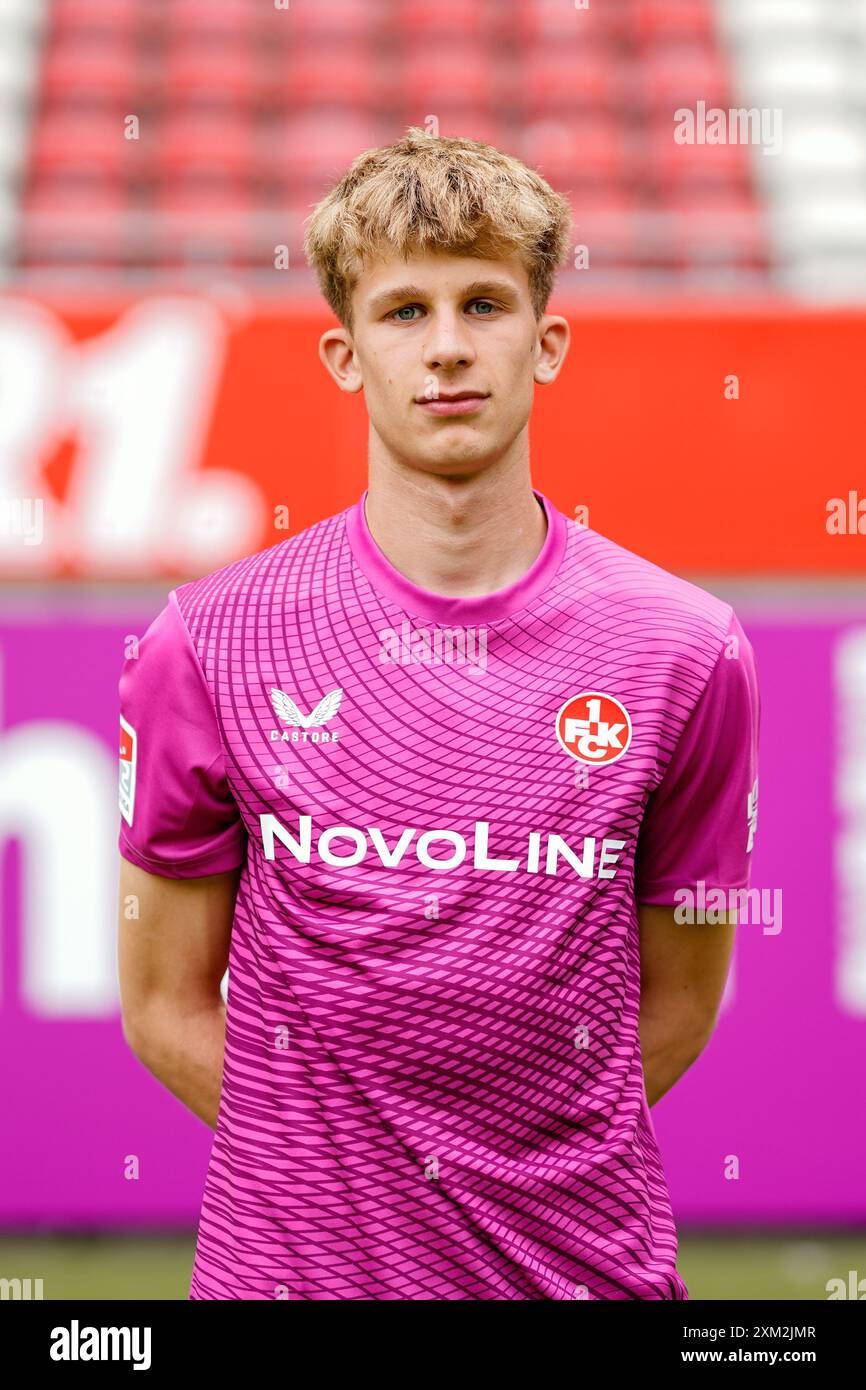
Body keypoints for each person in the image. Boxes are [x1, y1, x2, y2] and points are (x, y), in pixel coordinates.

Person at [117, 128, 760, 1300]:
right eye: (403, 312)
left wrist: (492, 1175)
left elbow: (674, 1003)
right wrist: (347, 1177)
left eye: (484, 304)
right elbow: (162, 999)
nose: (449, 349)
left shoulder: (686, 649)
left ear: (546, 340)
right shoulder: (206, 641)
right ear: (343, 354)